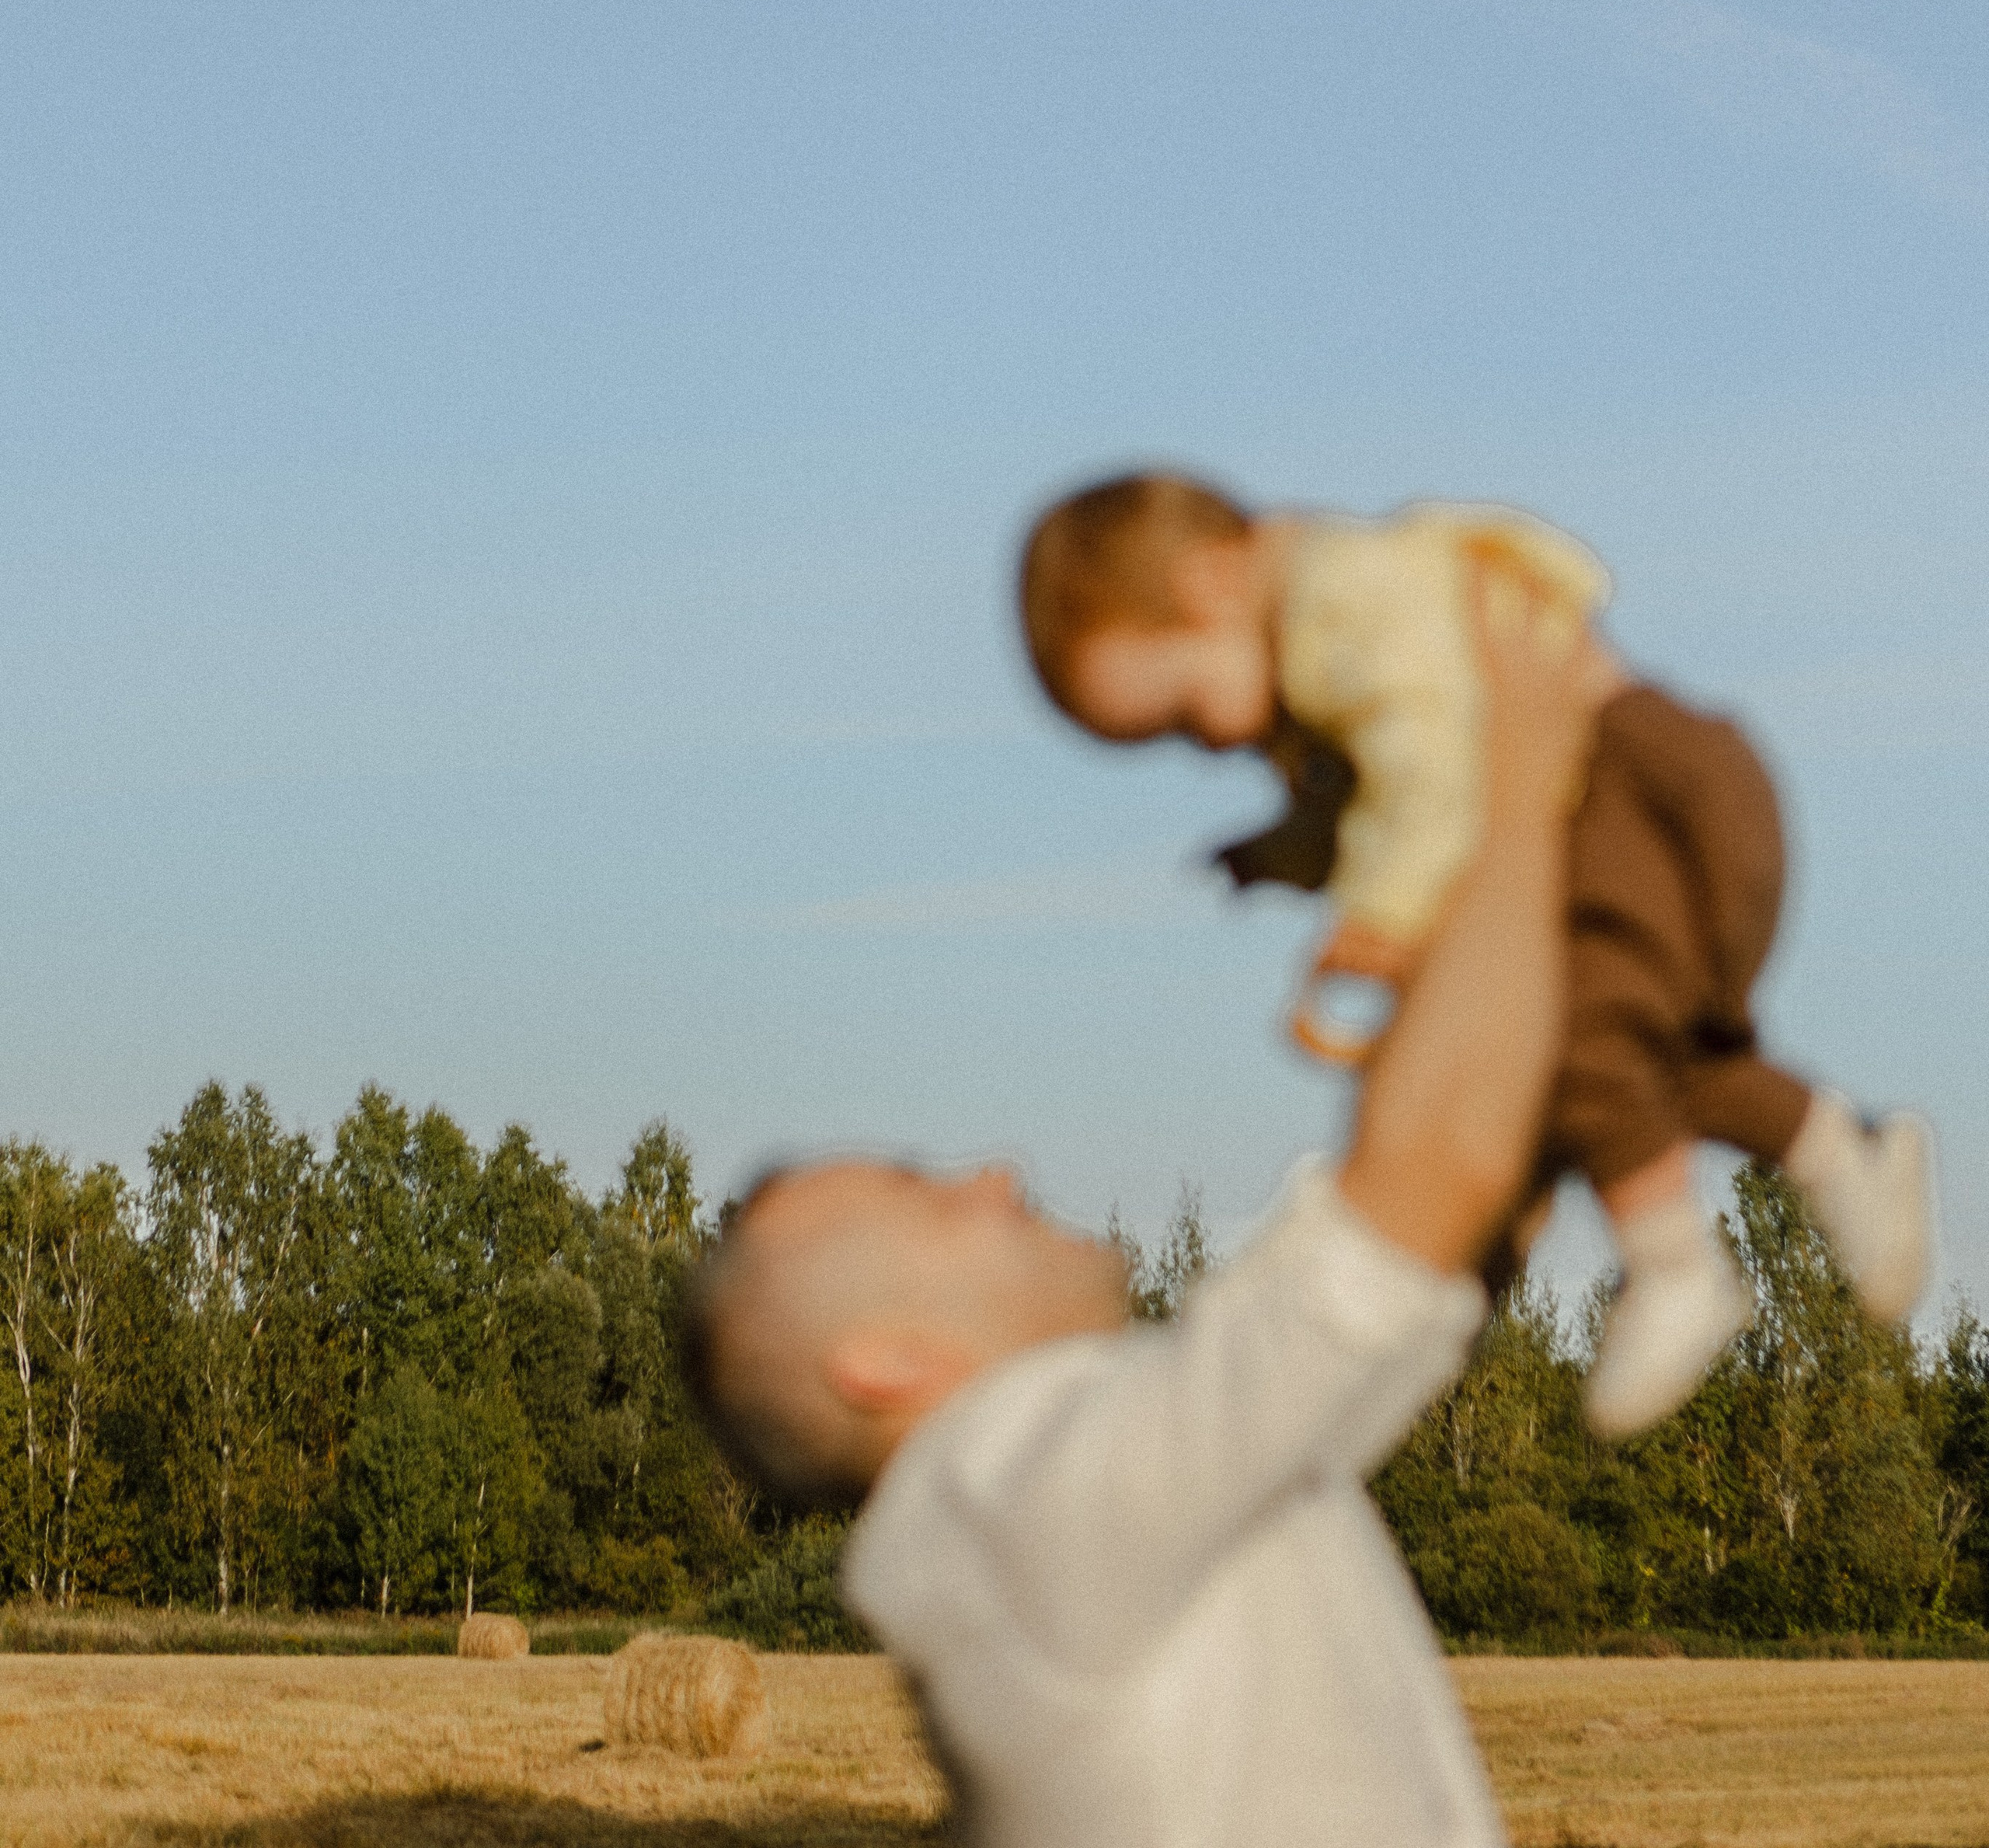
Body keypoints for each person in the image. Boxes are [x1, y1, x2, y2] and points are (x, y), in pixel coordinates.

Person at [687, 574, 1609, 1848]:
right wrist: (1516, 784)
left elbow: (1444, 1230)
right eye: (927, 1194)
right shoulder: (1006, 1504)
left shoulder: (1085, 1500)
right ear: (886, 1358)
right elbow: (1430, 1180)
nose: (996, 1174)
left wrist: (1460, 966)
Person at [1019, 472, 1932, 1438]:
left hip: (1627, 785)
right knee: (1637, 1070)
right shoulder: (1322, 658)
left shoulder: (1340, 610)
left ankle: (1674, 1270)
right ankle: (1842, 1149)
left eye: (1181, 712)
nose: (1201, 745)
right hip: (1657, 788)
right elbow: (1362, 800)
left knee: (1580, 1037)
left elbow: (1427, 763)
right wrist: (1285, 851)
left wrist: (1384, 915)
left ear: (1212, 581)